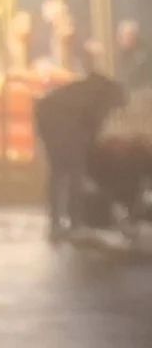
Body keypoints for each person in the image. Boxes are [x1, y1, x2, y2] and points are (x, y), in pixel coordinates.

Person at [34, 56, 127, 242]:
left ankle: (58, 223)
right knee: (74, 172)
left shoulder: (93, 87)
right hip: (60, 124)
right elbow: (93, 125)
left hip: (49, 120)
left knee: (59, 172)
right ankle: (74, 223)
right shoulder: (104, 95)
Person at [116, 21, 149, 91]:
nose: (127, 38)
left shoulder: (144, 51)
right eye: (124, 35)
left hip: (143, 90)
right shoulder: (122, 54)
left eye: (130, 35)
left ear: (135, 36)